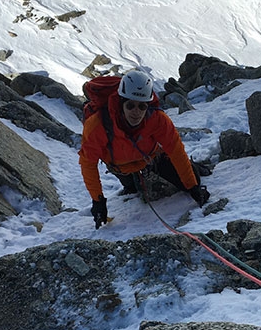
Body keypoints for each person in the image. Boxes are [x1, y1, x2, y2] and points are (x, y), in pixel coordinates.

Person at [79, 70, 210, 228]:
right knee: (134, 189)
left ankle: (195, 167)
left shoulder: (158, 120)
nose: (136, 112)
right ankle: (132, 183)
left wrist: (192, 186)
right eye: (131, 105)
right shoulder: (98, 124)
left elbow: (176, 151)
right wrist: (98, 201)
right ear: (121, 103)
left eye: (142, 106)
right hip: (121, 168)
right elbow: (88, 163)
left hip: (152, 159)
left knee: (190, 180)